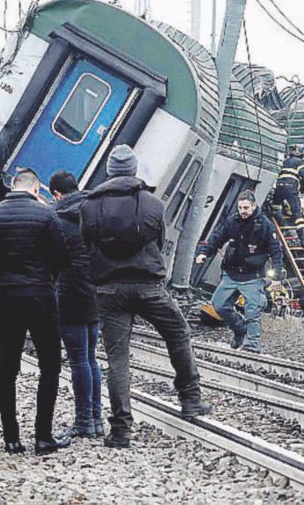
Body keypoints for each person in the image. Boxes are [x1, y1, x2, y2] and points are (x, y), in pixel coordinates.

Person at [80, 145, 210, 449]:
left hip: (109, 289)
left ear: (110, 172)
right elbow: (160, 241)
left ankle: (121, 431)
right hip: (148, 286)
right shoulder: (153, 204)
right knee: (178, 333)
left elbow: (87, 244)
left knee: (117, 358)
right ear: (134, 170)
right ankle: (190, 399)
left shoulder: (89, 206)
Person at [0, 168, 71, 456]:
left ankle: (11, 439)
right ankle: (43, 437)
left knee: (8, 366)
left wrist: (5, 265)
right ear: (36, 189)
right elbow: (61, 258)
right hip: (41, 295)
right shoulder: (47, 215)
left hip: (7, 296)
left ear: (12, 186)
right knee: (49, 366)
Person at [50, 169, 103, 440]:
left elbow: (52, 260)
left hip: (71, 293)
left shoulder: (58, 220)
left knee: (79, 359)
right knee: (91, 357)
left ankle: (84, 421)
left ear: (56, 194)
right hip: (96, 291)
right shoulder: (95, 211)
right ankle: (97, 419)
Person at [196, 191, 283, 354]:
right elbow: (217, 238)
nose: (243, 211)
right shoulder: (233, 221)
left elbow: (276, 252)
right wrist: (204, 253)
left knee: (252, 311)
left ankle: (252, 344)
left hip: (252, 276)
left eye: (246, 208)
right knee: (219, 305)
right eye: (240, 207)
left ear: (254, 206)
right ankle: (239, 328)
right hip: (231, 273)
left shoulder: (265, 225)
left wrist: (277, 278)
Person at [272, 157, 304, 248]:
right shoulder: (299, 162)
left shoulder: (284, 162)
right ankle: (303, 238)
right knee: (297, 212)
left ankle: (281, 225)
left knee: (276, 207)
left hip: (279, 187)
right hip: (291, 188)